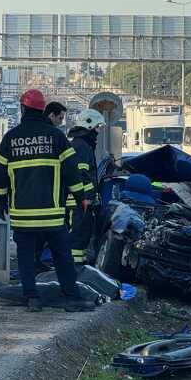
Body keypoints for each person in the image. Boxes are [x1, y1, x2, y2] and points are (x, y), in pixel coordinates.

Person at [0, 89, 94, 312]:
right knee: (62, 257)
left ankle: (32, 299)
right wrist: (80, 199)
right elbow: (72, 172)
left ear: (22, 109)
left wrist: (0, 202)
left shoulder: (11, 138)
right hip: (52, 214)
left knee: (26, 257)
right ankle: (72, 299)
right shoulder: (56, 137)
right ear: (42, 110)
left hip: (22, 215)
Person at [66, 109, 105, 264]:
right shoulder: (81, 146)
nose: (98, 131)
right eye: (97, 127)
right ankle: (73, 269)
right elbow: (81, 175)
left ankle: (78, 269)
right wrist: (88, 198)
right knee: (76, 238)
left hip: (79, 202)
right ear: (89, 125)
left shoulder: (82, 145)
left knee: (82, 238)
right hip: (77, 203)